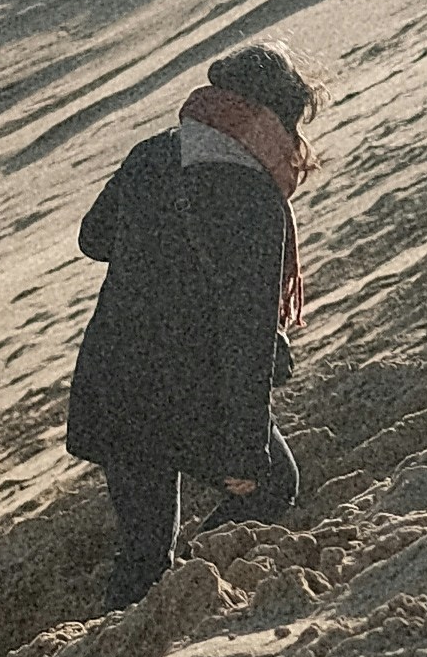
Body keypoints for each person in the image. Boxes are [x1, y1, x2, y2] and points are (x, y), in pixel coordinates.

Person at [63, 39, 317, 608]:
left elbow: (93, 237)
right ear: (272, 117)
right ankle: (187, 598)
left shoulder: (154, 153)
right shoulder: (253, 195)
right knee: (274, 484)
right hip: (189, 391)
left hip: (117, 375)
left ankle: (114, 655)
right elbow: (248, 337)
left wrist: (155, 246)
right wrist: (244, 453)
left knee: (144, 551)